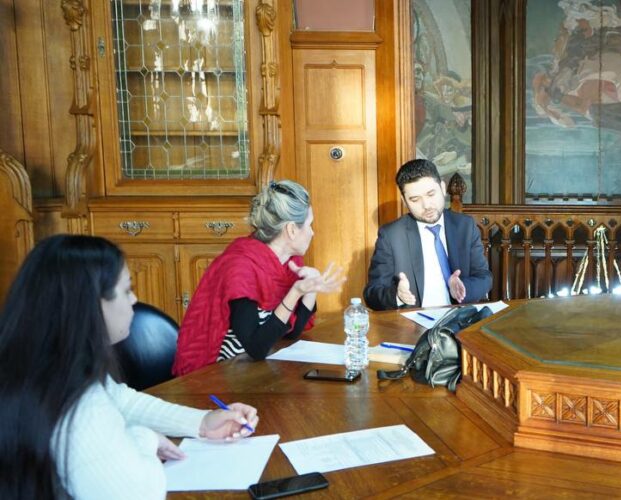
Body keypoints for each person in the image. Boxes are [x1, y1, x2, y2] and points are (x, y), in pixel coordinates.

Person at [0, 235, 260, 498]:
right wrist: (144, 439)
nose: (134, 299)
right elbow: (142, 492)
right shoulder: (83, 410)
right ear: (90, 304)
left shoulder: (38, 366)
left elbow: (122, 400)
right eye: (126, 290)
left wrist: (202, 422)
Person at [173, 180, 345, 376]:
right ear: (291, 229)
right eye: (309, 225)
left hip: (255, 371)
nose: (312, 233)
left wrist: (310, 290)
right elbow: (256, 348)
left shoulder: (289, 261)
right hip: (216, 375)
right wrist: (296, 292)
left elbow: (292, 332)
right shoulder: (241, 269)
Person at [364, 159, 492, 310]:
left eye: (431, 194)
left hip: (458, 317)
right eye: (415, 199)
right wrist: (397, 296)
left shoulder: (465, 226)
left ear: (443, 188)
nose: (426, 205)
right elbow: (372, 293)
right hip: (413, 321)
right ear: (404, 201)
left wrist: (463, 288)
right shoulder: (391, 235)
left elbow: (484, 277)